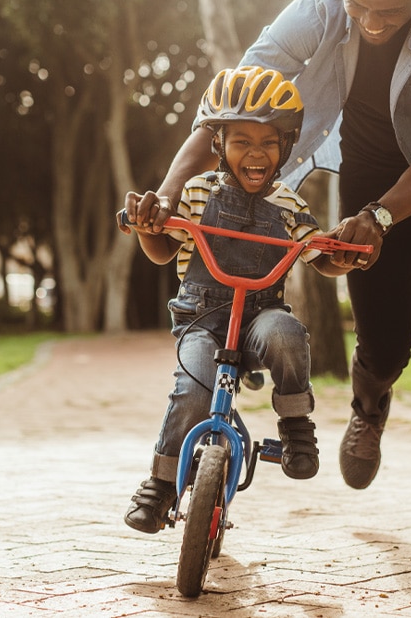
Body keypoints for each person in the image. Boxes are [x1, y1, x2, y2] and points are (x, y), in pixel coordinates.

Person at [142, 0, 411, 559]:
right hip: (371, 166)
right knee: (387, 339)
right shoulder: (320, 3)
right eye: (359, 7)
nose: (370, 23)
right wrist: (172, 184)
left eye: (389, 13)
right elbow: (240, 94)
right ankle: (371, 400)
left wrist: (379, 219)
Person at [120, 66, 356, 534]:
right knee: (193, 390)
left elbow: (318, 255)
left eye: (269, 143)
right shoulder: (194, 192)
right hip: (202, 318)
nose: (255, 153)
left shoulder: (290, 205)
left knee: (287, 335)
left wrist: (343, 255)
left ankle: (294, 425)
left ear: (286, 147)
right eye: (241, 141)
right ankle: (161, 483)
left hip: (260, 316)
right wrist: (149, 228)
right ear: (218, 145)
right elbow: (164, 249)